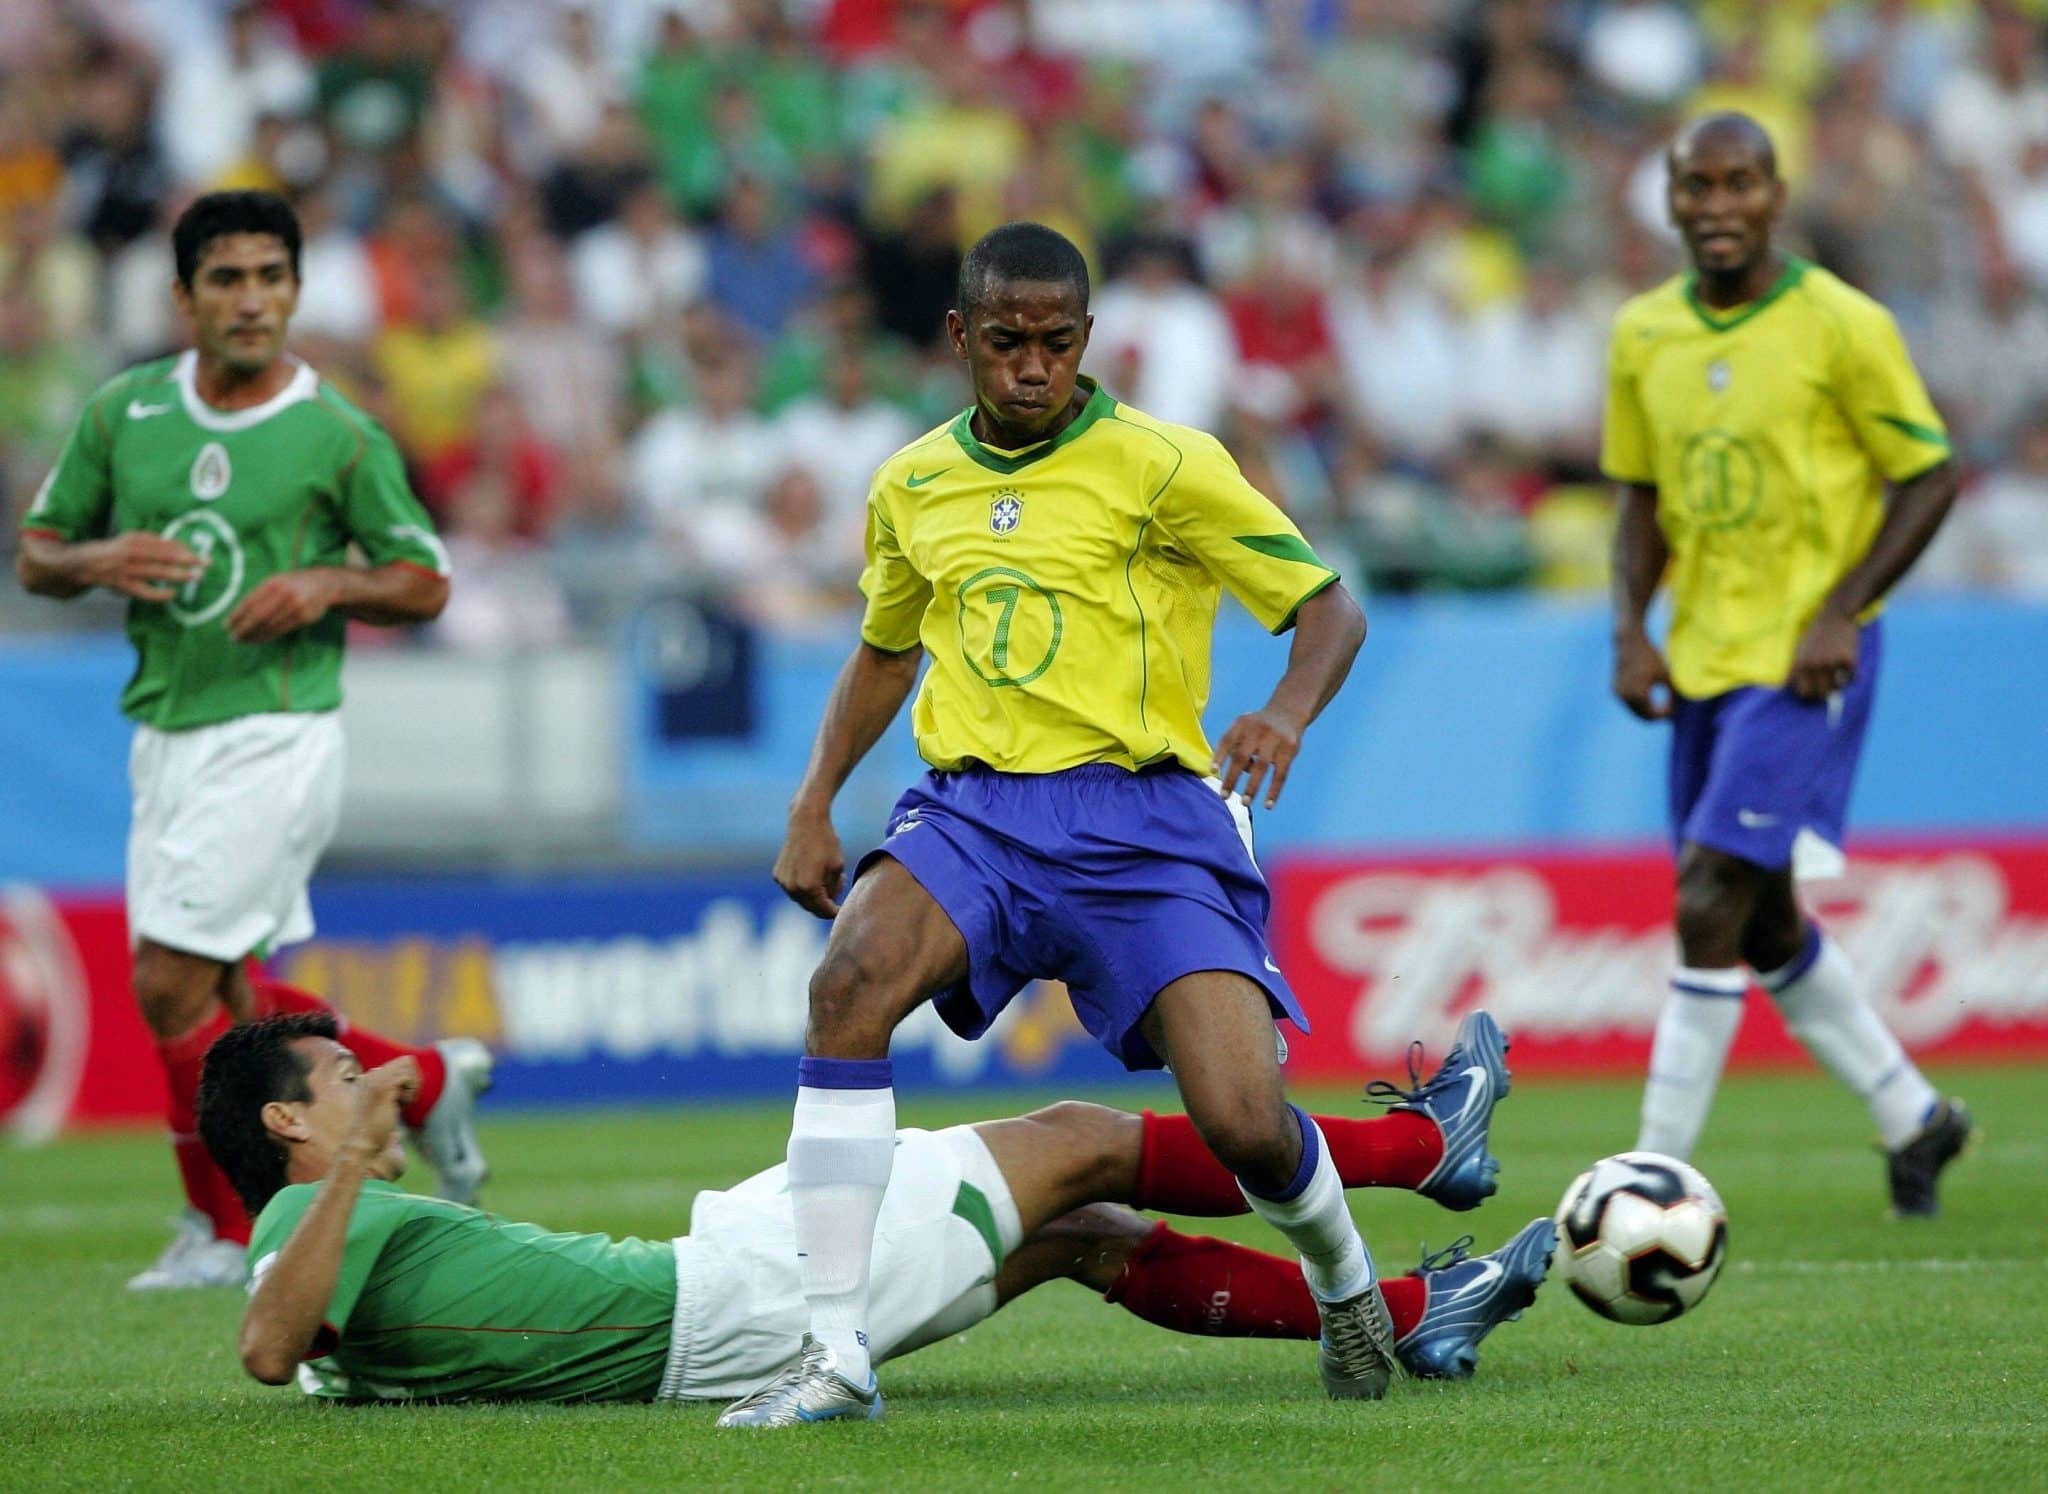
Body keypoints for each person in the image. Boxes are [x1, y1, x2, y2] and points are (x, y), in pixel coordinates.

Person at [743, 221, 1461, 1427]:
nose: (1033, 366)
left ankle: (1343, 1286)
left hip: (1144, 821)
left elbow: (1328, 611)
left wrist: (1282, 714)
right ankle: (834, 1357)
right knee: (846, 984)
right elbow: (883, 649)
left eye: (1057, 343)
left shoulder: (1167, 464)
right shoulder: (911, 481)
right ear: (961, 338)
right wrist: (813, 800)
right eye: (1008, 343)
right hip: (972, 813)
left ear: (1088, 338)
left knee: (1241, 1123)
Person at [198, 1011, 1555, 1407]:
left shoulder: (339, 1258)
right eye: (340, 1074)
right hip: (737, 1298)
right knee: (1079, 1139)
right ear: (287, 1125)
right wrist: (361, 1164)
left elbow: (323, 1358)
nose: (372, 1078)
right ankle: (1418, 1142)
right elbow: (270, 1345)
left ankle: (1418, 1312)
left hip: (718, 1269)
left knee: (1077, 1237)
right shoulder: (301, 1230)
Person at [14, 191, 492, 1289]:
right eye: (226, 279)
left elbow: (424, 578)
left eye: (271, 278)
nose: (251, 301)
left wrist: (329, 579)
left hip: (277, 730)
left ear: (296, 289)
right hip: (167, 735)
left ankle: (222, 1233)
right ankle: (421, 1077)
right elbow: (39, 550)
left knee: (166, 985)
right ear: (183, 295)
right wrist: (101, 559)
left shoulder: (336, 431)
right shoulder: (125, 414)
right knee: (228, 995)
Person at [1603, 115, 1970, 1216]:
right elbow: (1639, 497)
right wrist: (1629, 625)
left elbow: (1928, 475)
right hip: (1705, 659)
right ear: (1668, 199)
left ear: (1775, 194)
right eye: (1694, 186)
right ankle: (1915, 1116)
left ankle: (1648, 1175)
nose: (1715, 206)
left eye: (1737, 185)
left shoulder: (1839, 325)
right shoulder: (1642, 334)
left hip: (1806, 664)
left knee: (1705, 895)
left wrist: (1841, 612)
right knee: (1759, 922)